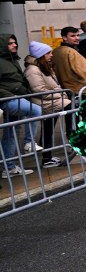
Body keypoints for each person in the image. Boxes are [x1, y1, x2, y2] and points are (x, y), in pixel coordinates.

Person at [0, 35, 42, 177]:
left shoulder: (12, 60)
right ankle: (29, 143)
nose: (14, 45)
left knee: (11, 134)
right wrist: (10, 95)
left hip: (16, 98)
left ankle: (9, 168)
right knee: (35, 110)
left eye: (15, 43)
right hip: (8, 100)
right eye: (10, 43)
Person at [24, 41, 69, 168]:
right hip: (47, 103)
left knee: (48, 130)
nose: (51, 55)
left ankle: (47, 156)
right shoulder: (33, 70)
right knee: (48, 130)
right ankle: (47, 158)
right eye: (48, 53)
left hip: (53, 100)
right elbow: (39, 90)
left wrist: (58, 93)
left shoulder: (43, 66)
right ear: (41, 55)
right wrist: (59, 94)